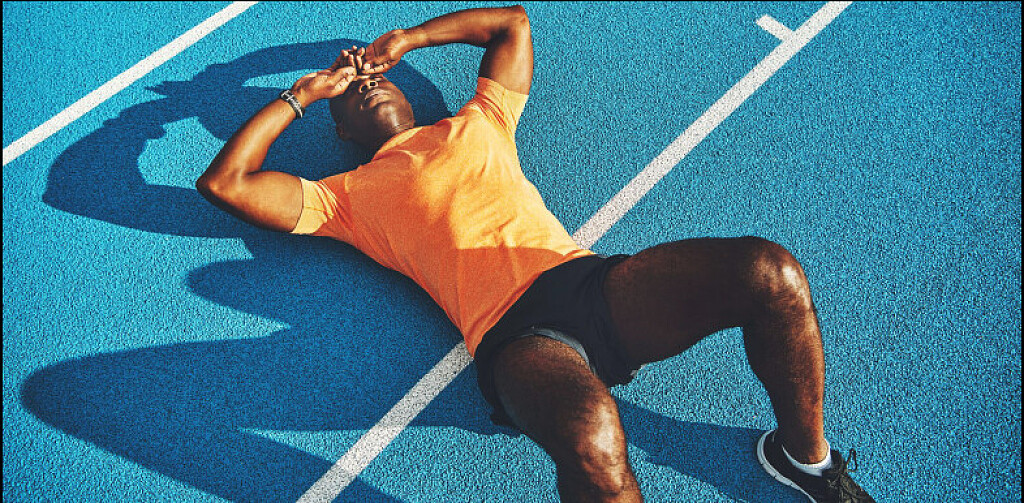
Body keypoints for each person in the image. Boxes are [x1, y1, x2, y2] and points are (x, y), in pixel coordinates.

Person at [196, 6, 875, 502]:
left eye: (375, 76)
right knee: (594, 439)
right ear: (342, 131)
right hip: (516, 335)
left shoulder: (479, 121)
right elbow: (226, 183)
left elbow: (512, 24)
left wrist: (407, 39)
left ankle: (805, 460)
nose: (366, 82)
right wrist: (303, 93)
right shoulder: (343, 197)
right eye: (349, 93)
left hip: (587, 282)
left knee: (770, 272)